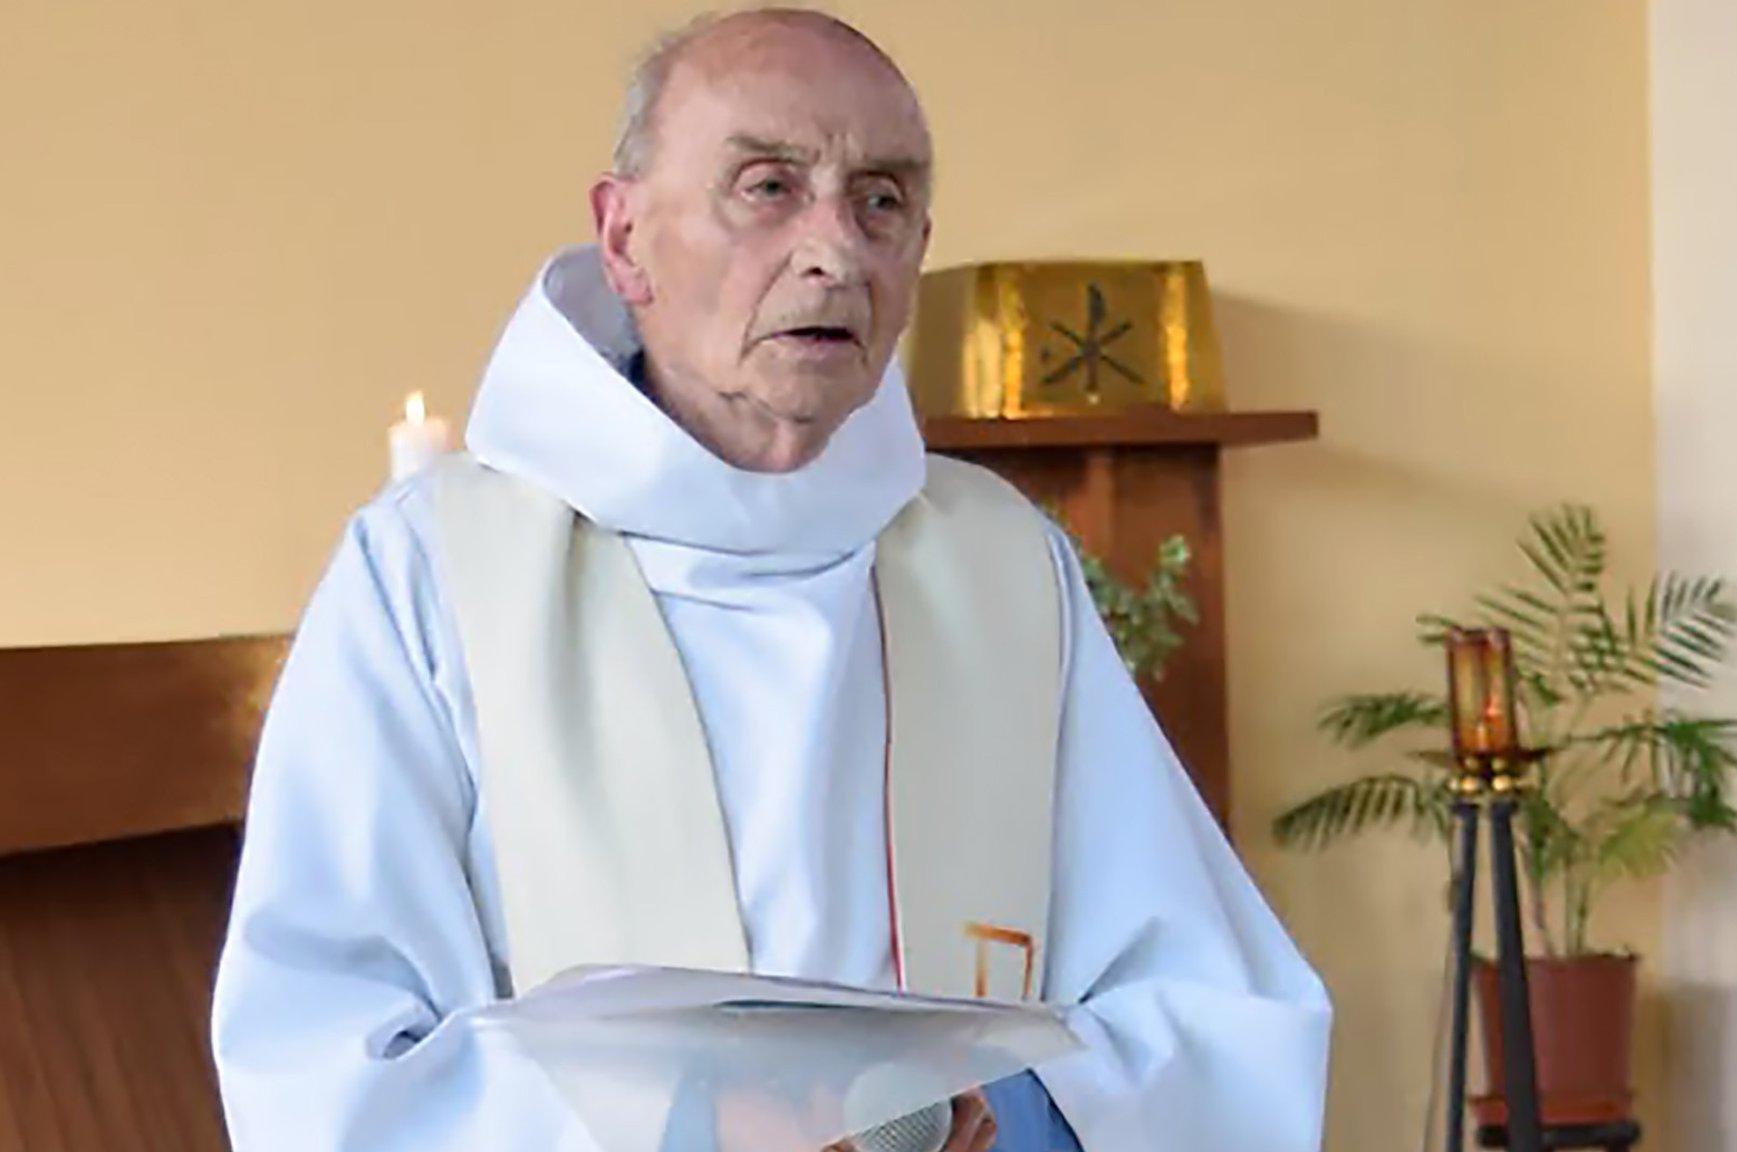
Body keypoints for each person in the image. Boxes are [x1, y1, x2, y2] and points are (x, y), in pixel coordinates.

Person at [211, 9, 1330, 1151]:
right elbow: (322, 1051)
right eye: (766, 187)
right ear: (625, 236)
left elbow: (1208, 1003)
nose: (833, 250)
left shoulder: (997, 561)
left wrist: (1007, 1112)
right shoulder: (430, 570)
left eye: (880, 201)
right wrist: (703, 1126)